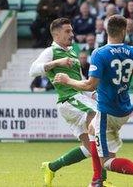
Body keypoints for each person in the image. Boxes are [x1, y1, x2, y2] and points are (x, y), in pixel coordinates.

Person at [54, 15, 133, 187]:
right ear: (125, 31)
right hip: (124, 109)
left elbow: (90, 85)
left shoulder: (100, 53)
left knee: (107, 162)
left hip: (107, 111)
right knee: (90, 129)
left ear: (106, 31)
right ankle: (97, 180)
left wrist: (68, 81)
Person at [29, 18, 112, 186]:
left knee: (91, 148)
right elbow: (33, 71)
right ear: (56, 33)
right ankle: (100, 181)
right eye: (67, 31)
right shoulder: (51, 51)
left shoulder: (72, 51)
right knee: (98, 123)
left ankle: (51, 167)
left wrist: (94, 93)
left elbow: (80, 80)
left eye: (72, 31)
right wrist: (56, 63)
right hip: (69, 99)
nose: (72, 34)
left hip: (78, 98)